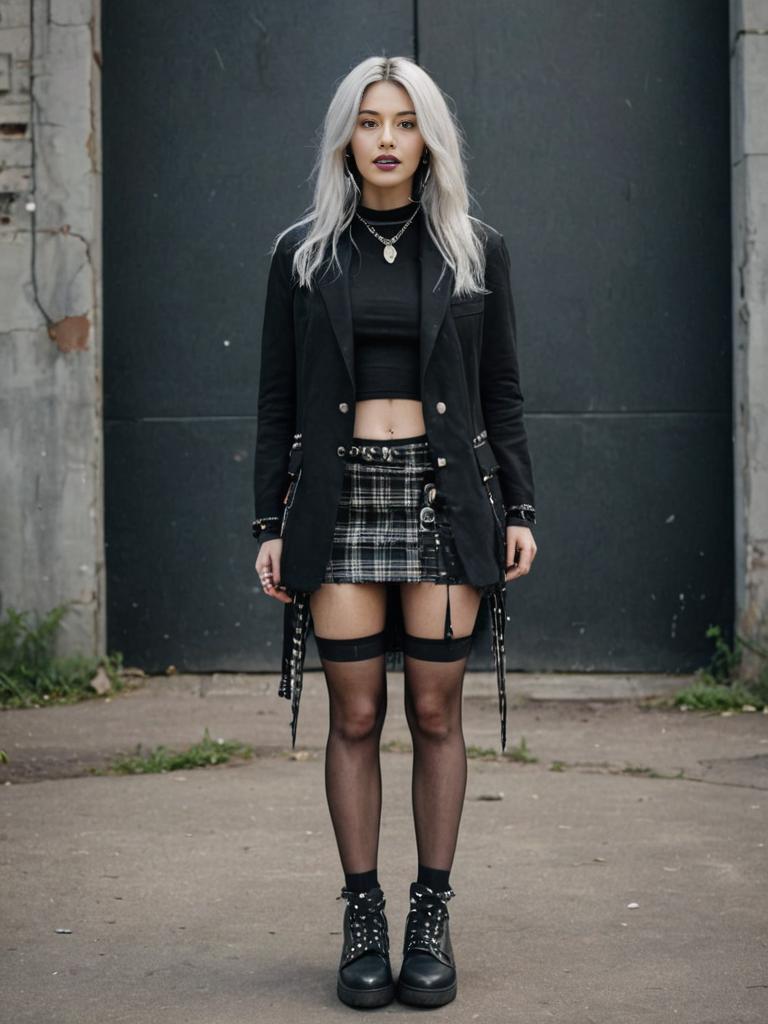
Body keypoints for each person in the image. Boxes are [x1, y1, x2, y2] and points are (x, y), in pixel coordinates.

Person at [252, 55, 537, 1009]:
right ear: (346, 137)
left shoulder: (471, 249)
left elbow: (502, 390)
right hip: (335, 504)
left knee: (434, 713)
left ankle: (432, 913)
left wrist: (521, 508)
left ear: (428, 139)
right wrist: (268, 522)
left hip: (441, 497)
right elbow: (275, 400)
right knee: (357, 714)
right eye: (368, 121)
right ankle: (363, 911)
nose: (384, 138)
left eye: (403, 122)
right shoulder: (302, 252)